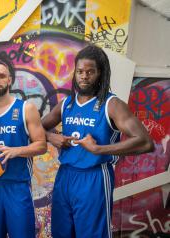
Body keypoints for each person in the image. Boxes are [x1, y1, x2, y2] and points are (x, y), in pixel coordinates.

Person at [42, 45, 154, 238]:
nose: (84, 76)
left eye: (90, 72)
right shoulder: (67, 104)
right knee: (61, 233)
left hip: (94, 178)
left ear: (100, 73)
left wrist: (99, 148)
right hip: (65, 176)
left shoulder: (112, 105)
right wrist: (52, 137)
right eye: (80, 72)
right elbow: (36, 128)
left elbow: (145, 142)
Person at [0, 60, 47, 238]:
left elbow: (41, 145)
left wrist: (14, 151)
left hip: (17, 187)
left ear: (9, 80)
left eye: (2, 76)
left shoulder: (26, 109)